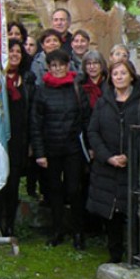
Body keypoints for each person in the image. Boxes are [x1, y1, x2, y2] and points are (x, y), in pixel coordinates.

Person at [87, 59, 140, 264]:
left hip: (132, 166)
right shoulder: (102, 102)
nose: (119, 77)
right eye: (115, 74)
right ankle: (114, 254)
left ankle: (136, 254)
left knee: (134, 211)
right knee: (112, 213)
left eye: (123, 73)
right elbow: (93, 131)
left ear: (131, 76)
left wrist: (129, 156)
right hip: (108, 166)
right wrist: (108, 157)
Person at [31, 48, 91, 248]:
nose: (57, 69)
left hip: (73, 148)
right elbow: (36, 123)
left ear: (68, 66)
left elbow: (86, 120)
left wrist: (89, 148)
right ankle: (57, 231)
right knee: (54, 191)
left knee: (74, 190)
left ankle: (78, 232)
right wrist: (39, 153)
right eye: (54, 65)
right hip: (51, 149)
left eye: (61, 65)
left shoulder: (76, 88)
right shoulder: (42, 91)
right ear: (49, 67)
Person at [0, 39, 34, 237]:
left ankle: (10, 224)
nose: (14, 54)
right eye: (11, 51)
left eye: (18, 51)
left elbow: (32, 111)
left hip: (19, 139)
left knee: (13, 183)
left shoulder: (27, 79)